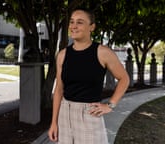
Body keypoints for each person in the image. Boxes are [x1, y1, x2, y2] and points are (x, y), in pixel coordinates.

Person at [48, 8, 130, 144]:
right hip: (64, 114)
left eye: (80, 22)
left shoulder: (103, 52)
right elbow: (58, 90)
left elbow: (124, 79)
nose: (73, 26)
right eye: (72, 22)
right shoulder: (62, 55)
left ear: (92, 27)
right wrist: (54, 123)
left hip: (89, 114)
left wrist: (110, 105)